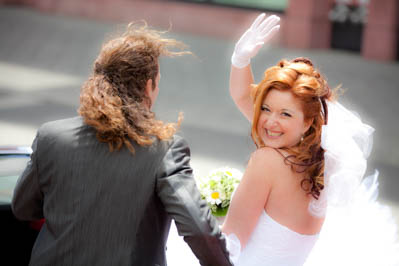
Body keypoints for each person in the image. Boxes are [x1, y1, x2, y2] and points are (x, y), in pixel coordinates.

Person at [11, 23, 233, 266]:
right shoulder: (164, 149)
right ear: (149, 85)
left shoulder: (50, 136)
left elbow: (23, 208)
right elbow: (200, 230)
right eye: (157, 81)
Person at [221, 13, 399, 266]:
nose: (270, 121)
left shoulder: (269, 160)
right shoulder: (322, 161)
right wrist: (240, 60)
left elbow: (228, 245)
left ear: (306, 122)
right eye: (266, 108)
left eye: (285, 113)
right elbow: (243, 97)